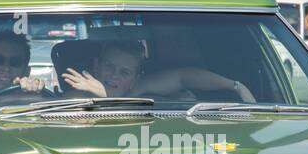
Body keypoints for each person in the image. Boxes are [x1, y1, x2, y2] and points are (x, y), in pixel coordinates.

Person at [55, 37, 255, 102]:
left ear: (135, 78)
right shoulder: (77, 96)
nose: (115, 76)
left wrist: (236, 86)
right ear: (96, 66)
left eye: (124, 72)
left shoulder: (137, 88)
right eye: (109, 67)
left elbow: (184, 77)